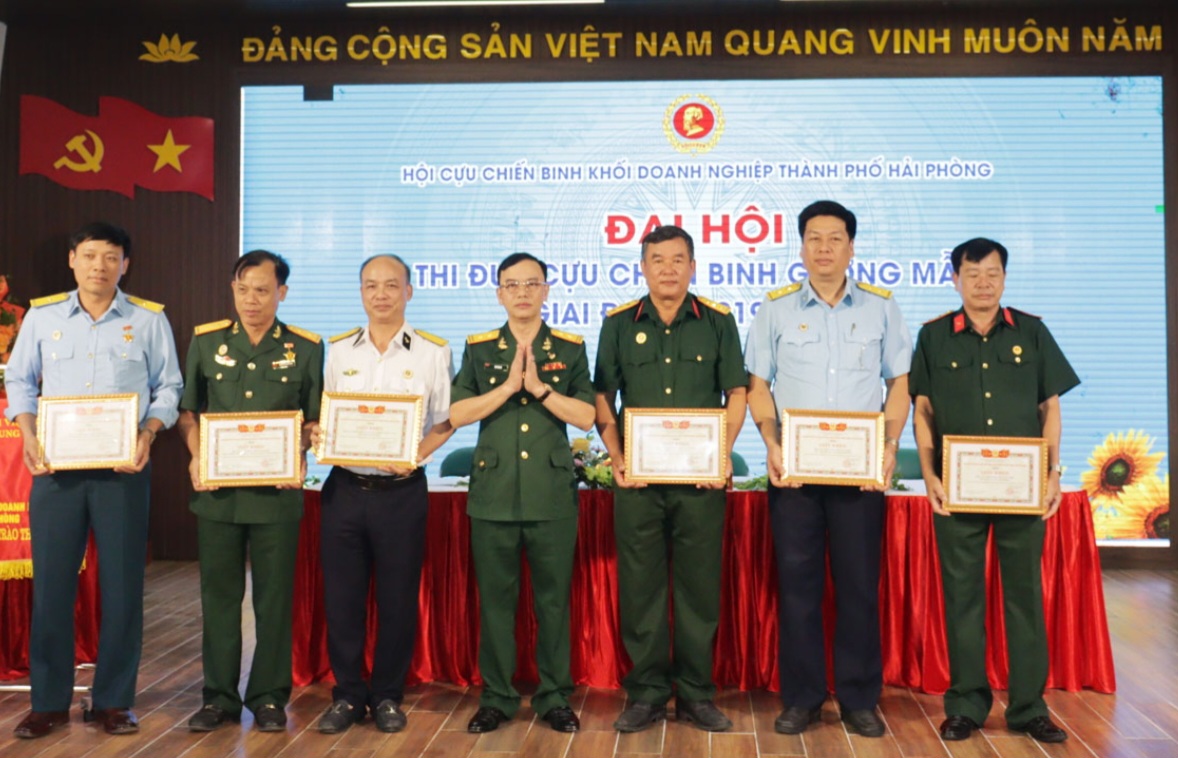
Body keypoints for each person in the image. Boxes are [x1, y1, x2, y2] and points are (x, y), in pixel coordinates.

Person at [5, 222, 183, 739]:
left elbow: (169, 387)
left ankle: (113, 701)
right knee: (52, 589)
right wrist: (27, 432)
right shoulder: (42, 317)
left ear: (125, 264)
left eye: (110, 257)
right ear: (72, 260)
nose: (99, 266)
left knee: (123, 589)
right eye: (89, 256)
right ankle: (48, 703)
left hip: (122, 473)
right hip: (56, 473)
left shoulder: (148, 320)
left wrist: (149, 433)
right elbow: (19, 379)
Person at [745, 200, 911, 738]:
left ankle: (860, 698)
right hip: (795, 475)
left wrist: (890, 445)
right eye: (814, 238)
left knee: (859, 588)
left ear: (851, 246)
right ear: (800, 246)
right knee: (798, 589)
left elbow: (899, 383)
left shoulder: (881, 307)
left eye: (835, 238)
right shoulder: (774, 309)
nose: (824, 248)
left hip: (859, 475)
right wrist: (771, 442)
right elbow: (758, 386)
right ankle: (803, 698)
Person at [910, 237, 1077, 745]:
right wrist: (930, 474)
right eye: (972, 273)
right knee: (962, 597)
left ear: (1004, 277)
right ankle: (965, 704)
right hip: (957, 490)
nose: (983, 283)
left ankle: (1028, 707)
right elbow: (923, 411)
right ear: (954, 279)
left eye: (993, 273)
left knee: (1025, 596)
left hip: (1021, 491)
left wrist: (1051, 473)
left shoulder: (1032, 331)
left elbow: (1049, 407)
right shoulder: (934, 336)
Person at [594, 225, 747, 733]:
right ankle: (647, 693)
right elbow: (602, 398)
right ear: (642, 267)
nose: (668, 269)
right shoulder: (618, 323)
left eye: (678, 259)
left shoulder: (718, 322)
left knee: (698, 590)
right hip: (638, 484)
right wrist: (617, 457)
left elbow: (737, 393)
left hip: (699, 485)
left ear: (693, 266)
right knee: (641, 589)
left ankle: (697, 694)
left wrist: (721, 453)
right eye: (657, 260)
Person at [177, 250, 323, 733]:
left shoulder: (305, 348)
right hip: (219, 494)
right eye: (243, 290)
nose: (251, 300)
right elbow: (188, 412)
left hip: (276, 496)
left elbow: (313, 420)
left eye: (262, 290)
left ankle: (268, 697)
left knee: (273, 600)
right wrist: (197, 454)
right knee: (219, 599)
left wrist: (299, 450)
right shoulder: (207, 341)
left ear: (282, 292)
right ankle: (218, 697)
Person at [450, 252, 594, 734]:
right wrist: (509, 387)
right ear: (499, 294)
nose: (523, 293)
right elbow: (458, 413)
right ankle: (497, 697)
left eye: (532, 283)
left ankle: (554, 697)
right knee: (496, 603)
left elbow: (587, 417)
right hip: (494, 494)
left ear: (546, 290)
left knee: (553, 603)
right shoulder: (479, 349)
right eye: (512, 285)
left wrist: (539, 388)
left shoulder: (570, 348)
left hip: (550, 494)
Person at [309, 254, 454, 734]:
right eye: (371, 285)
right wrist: (320, 434)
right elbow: (325, 416)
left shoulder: (433, 352)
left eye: (392, 285)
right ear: (360, 292)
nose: (381, 294)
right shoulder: (339, 351)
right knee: (343, 600)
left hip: (401, 493)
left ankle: (388, 695)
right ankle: (348, 695)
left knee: (397, 601)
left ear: (408, 291)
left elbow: (445, 421)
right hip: (345, 490)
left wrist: (416, 455)